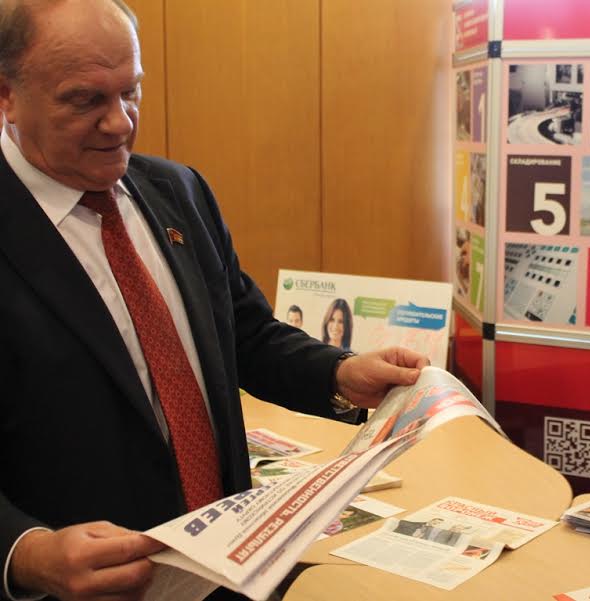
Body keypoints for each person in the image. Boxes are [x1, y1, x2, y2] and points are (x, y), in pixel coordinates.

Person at [0, 1, 429, 600]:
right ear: (7, 95)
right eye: (84, 100)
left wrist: (339, 373)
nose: (119, 123)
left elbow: (246, 335)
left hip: (228, 567)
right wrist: (25, 553)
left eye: (130, 91)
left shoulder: (178, 190)